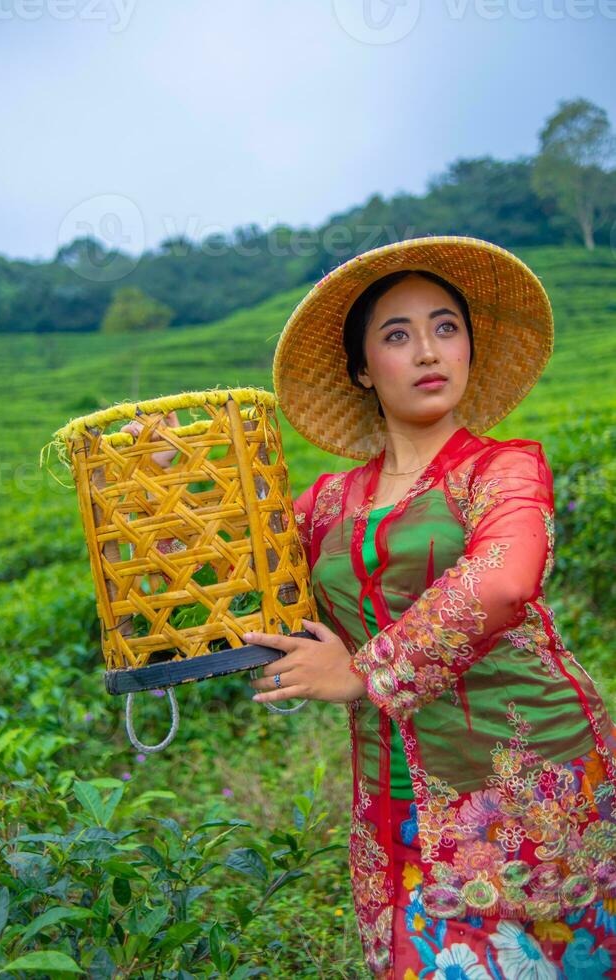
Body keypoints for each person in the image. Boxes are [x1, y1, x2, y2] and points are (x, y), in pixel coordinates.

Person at [243, 237, 616, 978]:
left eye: (446, 328)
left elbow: (505, 581)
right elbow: (234, 564)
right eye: (397, 335)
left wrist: (361, 672)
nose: (427, 352)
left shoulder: (504, 467)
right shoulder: (326, 505)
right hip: (393, 801)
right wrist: (172, 464)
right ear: (360, 369)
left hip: (527, 783)